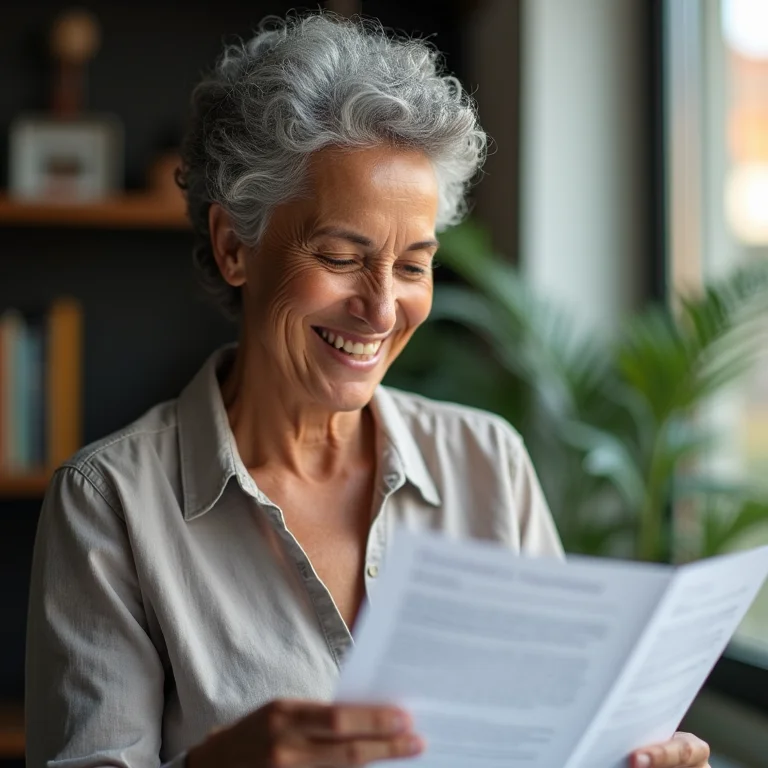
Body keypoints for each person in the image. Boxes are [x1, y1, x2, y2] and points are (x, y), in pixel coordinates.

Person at [25, 12, 711, 768]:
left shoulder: (489, 463)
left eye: (413, 265)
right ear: (233, 247)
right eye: (341, 256)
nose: (383, 308)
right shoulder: (110, 502)